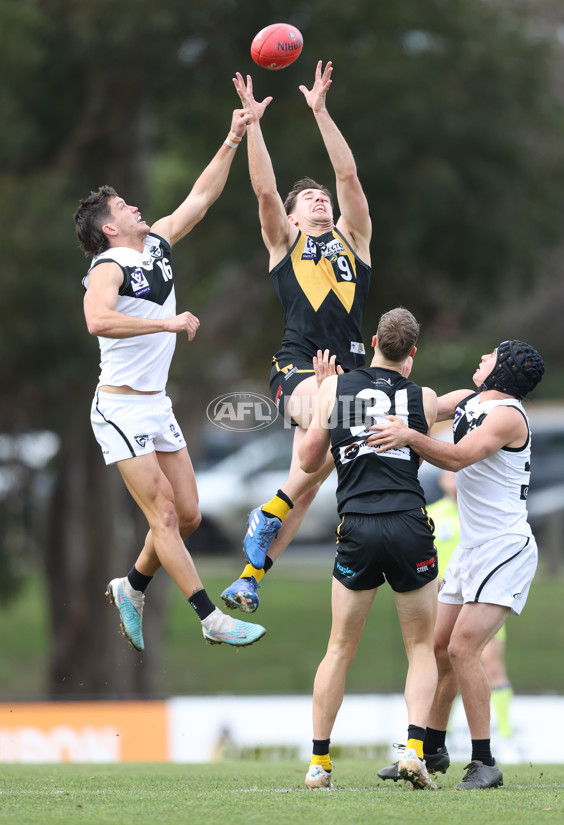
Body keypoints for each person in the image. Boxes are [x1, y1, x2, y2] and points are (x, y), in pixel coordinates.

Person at [74, 105, 266, 651]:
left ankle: (131, 585)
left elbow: (200, 199)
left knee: (186, 516)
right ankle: (210, 617)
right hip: (119, 408)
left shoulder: (154, 244)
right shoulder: (107, 268)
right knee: (160, 513)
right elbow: (96, 319)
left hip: (155, 405)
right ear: (110, 228)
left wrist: (233, 135)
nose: (137, 207)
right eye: (123, 206)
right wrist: (167, 321)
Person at [220, 60, 372, 614]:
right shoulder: (285, 244)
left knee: (306, 489)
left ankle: (249, 577)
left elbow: (349, 178)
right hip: (301, 367)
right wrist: (253, 127)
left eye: (321, 197)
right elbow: (264, 190)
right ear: (290, 216)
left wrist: (322, 112)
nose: (320, 199)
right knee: (337, 421)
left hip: (350, 375)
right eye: (307, 199)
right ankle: (274, 506)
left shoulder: (355, 240)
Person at [372, 340, 544, 789]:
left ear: (501, 370)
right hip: (473, 549)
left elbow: (457, 456)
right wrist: (356, 388)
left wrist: (409, 436)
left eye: (490, 355)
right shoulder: (469, 400)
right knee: (439, 648)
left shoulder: (507, 414)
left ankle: (485, 762)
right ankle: (430, 749)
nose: (481, 358)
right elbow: (420, 406)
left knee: (463, 649)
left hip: (505, 547)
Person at [298, 307, 439, 790]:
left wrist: (322, 394)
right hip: (408, 523)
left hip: (356, 524)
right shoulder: (426, 397)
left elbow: (308, 458)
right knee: (420, 646)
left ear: (373, 339)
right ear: (412, 353)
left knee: (339, 648)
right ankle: (415, 750)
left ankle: (320, 763)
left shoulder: (336, 388)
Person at [430, 471, 515, 746]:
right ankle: (445, 734)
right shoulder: (430, 515)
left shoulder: (482, 515)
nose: (454, 478)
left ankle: (504, 735)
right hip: (444, 601)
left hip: (481, 599)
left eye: (459, 472)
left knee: (490, 663)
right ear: (441, 481)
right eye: (449, 473)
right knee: (445, 660)